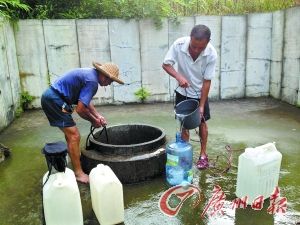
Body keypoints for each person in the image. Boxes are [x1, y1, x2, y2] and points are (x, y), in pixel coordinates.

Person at [41, 62, 124, 183]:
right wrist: (93, 121)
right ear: (104, 76)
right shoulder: (92, 82)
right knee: (74, 136)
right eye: (110, 81)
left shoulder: (90, 75)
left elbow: (85, 101)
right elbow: (80, 109)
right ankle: (79, 173)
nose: (109, 84)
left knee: (71, 135)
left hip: (55, 98)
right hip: (55, 100)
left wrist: (97, 116)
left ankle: (74, 161)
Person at [162, 24, 217, 170]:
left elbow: (207, 81)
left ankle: (203, 155)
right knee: (184, 124)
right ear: (190, 38)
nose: (197, 50)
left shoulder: (211, 53)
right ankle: (184, 154)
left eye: (201, 47)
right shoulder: (179, 44)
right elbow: (166, 64)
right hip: (183, 91)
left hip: (200, 93)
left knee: (202, 122)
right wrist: (179, 77)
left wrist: (201, 105)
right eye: (194, 46)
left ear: (208, 41)